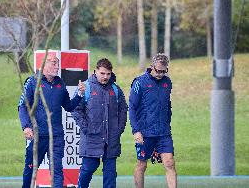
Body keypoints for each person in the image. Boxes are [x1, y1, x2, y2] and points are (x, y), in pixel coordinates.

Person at [18, 54, 86, 188]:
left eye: (58, 63)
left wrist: (79, 94)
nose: (57, 66)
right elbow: (22, 106)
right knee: (30, 168)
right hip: (38, 135)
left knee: (56, 170)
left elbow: (69, 106)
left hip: (56, 136)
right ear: (44, 64)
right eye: (53, 63)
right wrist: (26, 127)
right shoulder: (32, 82)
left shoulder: (60, 83)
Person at [72, 58, 128, 188]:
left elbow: (123, 110)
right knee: (88, 169)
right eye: (102, 73)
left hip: (111, 139)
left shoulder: (116, 89)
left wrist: (119, 129)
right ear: (95, 71)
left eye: (108, 74)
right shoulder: (86, 87)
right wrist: (86, 128)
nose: (105, 77)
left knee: (110, 173)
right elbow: (76, 109)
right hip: (91, 137)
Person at [129, 53, 177, 188]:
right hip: (145, 133)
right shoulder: (139, 82)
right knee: (142, 164)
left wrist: (167, 124)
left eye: (164, 71)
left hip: (164, 132)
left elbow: (167, 106)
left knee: (169, 163)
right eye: (158, 71)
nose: (161, 74)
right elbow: (132, 107)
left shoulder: (167, 82)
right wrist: (136, 131)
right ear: (152, 66)